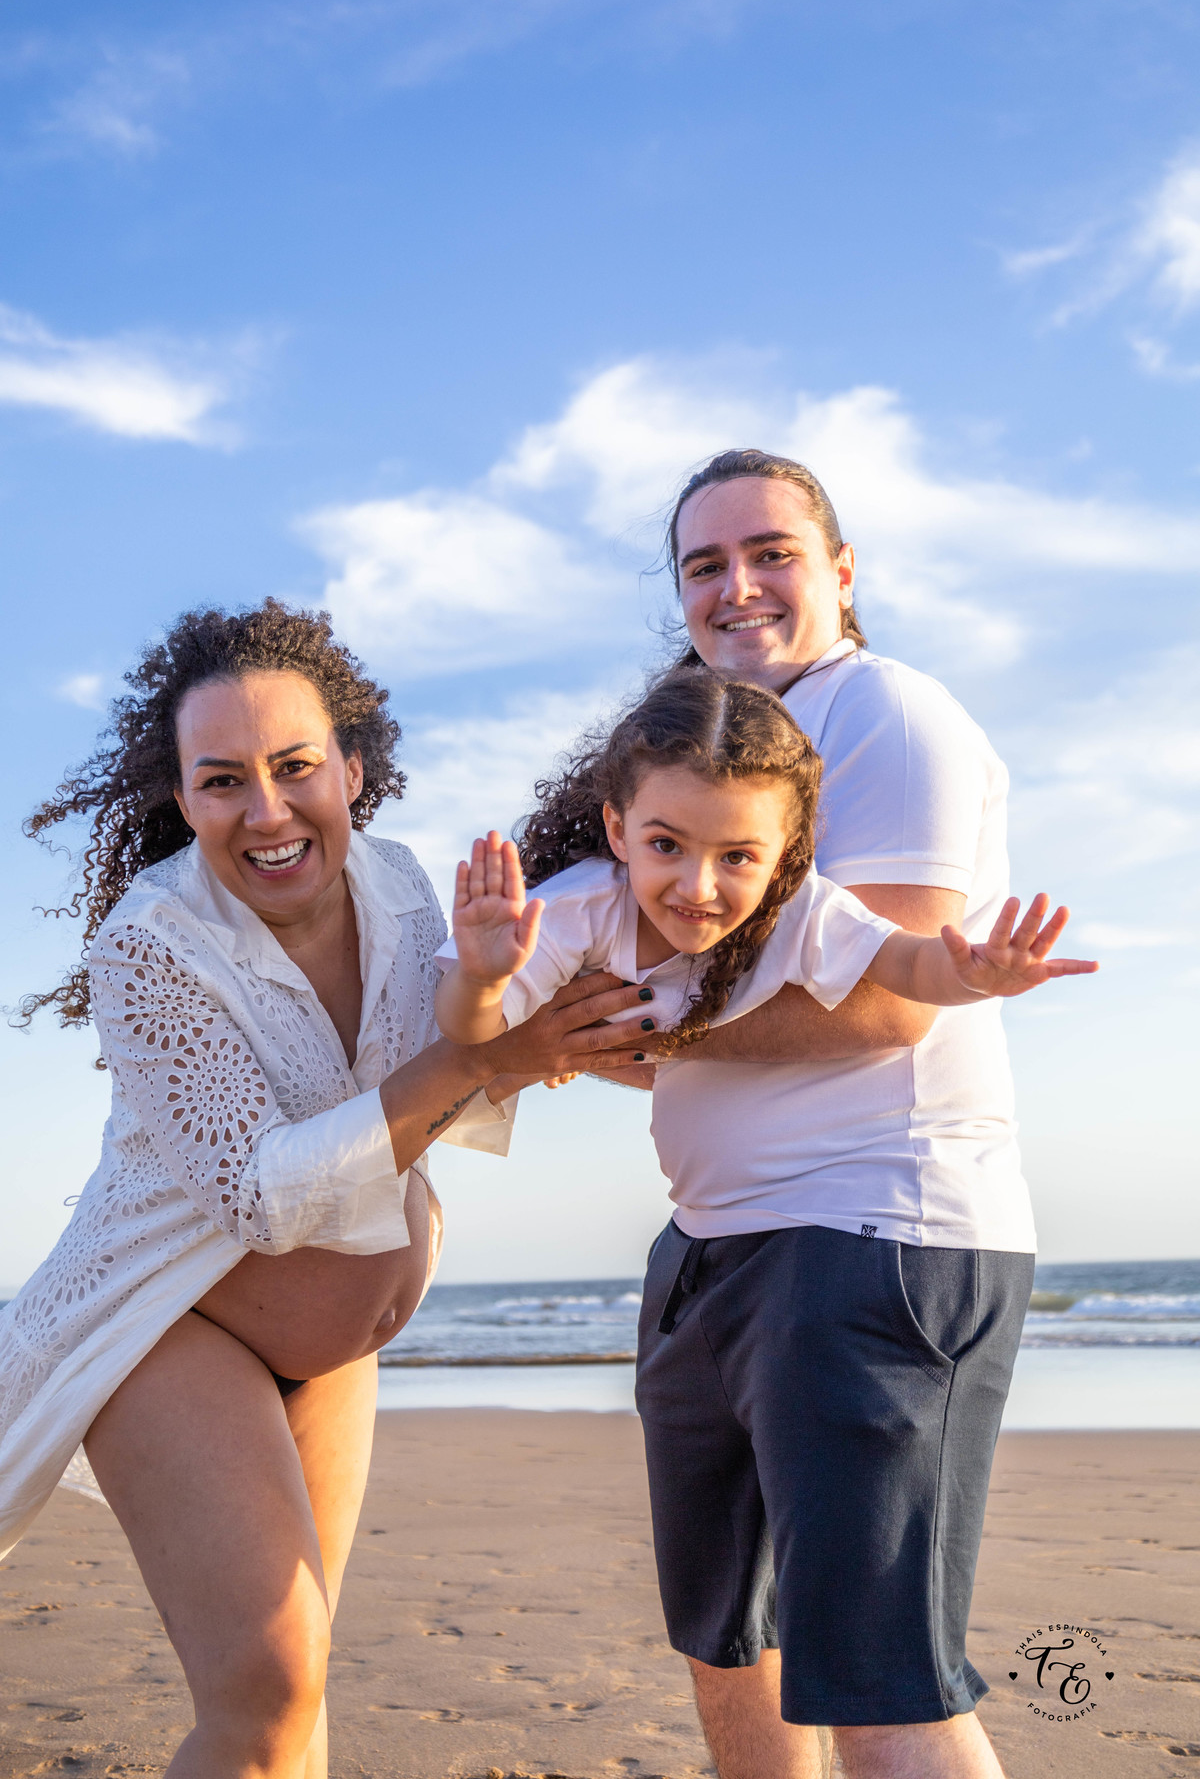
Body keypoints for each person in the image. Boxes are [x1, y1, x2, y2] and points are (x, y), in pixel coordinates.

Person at [0, 600, 650, 1779]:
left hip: (338, 1354)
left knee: (299, 1702)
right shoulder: (148, 946)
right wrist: (493, 1057)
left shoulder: (400, 886)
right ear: (183, 798)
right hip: (167, 1327)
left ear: (353, 769)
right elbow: (262, 1197)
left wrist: (551, 1030)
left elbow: (457, 1070)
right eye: (222, 781)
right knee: (269, 1689)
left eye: (296, 766)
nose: (267, 811)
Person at [621, 450, 1072, 1779]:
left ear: (842, 571)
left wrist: (628, 1030)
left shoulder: (887, 715)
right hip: (715, 1244)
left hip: (874, 1234)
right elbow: (656, 1014)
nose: (738, 586)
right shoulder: (706, 753)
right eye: (704, 565)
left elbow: (887, 1006)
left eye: (771, 553)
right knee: (730, 1648)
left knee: (880, 1687)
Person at [434, 670, 1092, 1063]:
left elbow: (908, 965)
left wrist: (974, 976)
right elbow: (470, 1030)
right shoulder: (580, 911)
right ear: (618, 830)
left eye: (737, 856)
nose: (698, 886)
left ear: (784, 854)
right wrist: (483, 979)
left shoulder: (798, 909)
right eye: (667, 845)